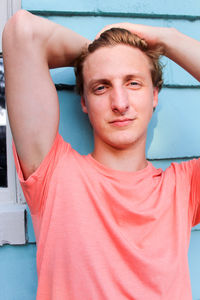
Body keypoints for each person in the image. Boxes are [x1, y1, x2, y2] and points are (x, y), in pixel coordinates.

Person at [2, 9, 200, 300]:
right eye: (101, 87)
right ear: (83, 101)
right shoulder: (54, 176)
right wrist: (97, 52)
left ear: (154, 94)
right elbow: (22, 31)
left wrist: (167, 39)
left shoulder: (183, 189)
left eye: (133, 83)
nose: (119, 103)